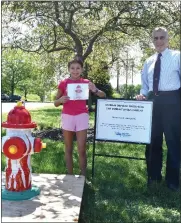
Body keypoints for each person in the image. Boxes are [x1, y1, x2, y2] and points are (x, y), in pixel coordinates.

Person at [136, 27, 180, 191]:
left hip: (172, 102)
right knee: (152, 141)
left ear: (168, 39)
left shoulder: (177, 57)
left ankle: (172, 182)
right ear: (152, 40)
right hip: (153, 103)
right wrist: (142, 95)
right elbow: (145, 86)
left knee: (173, 142)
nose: (159, 41)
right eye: (156, 38)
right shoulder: (148, 61)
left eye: (162, 37)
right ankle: (153, 176)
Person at [54, 58, 106, 176]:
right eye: (72, 68)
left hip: (82, 116)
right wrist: (61, 100)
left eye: (78, 68)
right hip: (67, 116)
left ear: (82, 69)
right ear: (68, 69)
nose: (75, 71)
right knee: (68, 148)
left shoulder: (86, 82)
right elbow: (55, 103)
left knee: (81, 149)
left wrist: (95, 89)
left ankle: (83, 177)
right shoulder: (63, 83)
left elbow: (103, 95)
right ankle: (70, 175)